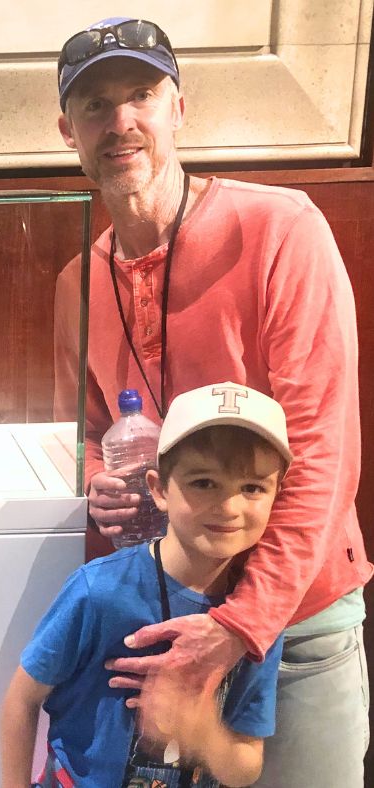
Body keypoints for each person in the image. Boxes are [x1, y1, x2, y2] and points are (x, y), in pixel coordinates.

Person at [52, 17, 371, 784]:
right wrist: (99, 481)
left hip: (295, 630)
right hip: (165, 625)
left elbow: (324, 455)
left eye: (141, 95)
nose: (120, 122)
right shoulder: (77, 283)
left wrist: (238, 626)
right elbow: (90, 434)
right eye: (95, 105)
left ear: (179, 110)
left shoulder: (281, 229)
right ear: (68, 131)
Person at [2, 382, 288, 787]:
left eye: (253, 487)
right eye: (204, 482)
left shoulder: (256, 621)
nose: (229, 506)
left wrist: (204, 732)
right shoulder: (97, 591)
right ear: (158, 489)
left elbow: (245, 766)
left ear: (277, 495)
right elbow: (22, 699)